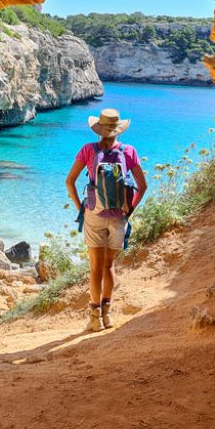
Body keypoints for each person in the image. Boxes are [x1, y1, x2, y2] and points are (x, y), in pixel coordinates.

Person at [65, 108, 147, 332]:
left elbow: (70, 181)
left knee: (95, 268)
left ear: (98, 130)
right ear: (118, 130)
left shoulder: (88, 150)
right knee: (109, 266)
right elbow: (143, 187)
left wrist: (81, 208)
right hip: (119, 217)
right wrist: (128, 211)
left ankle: (94, 318)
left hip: (94, 214)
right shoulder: (128, 151)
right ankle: (107, 315)